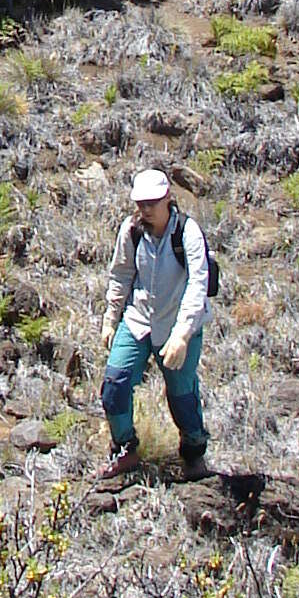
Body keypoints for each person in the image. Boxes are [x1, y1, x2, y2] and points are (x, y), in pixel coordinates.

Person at [98, 167, 210, 474]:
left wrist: (183, 335)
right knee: (115, 384)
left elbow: (197, 285)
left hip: (176, 325)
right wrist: (111, 318)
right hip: (137, 320)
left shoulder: (187, 233)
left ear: (168, 198)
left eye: (152, 203)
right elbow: (120, 274)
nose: (145, 210)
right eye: (140, 203)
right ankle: (124, 449)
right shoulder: (130, 231)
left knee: (182, 395)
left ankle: (193, 451)